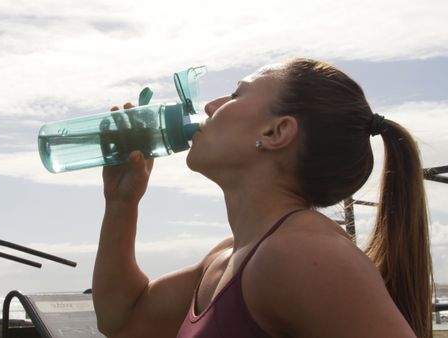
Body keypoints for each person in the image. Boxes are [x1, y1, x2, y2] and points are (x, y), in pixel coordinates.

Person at [92, 58, 433, 338]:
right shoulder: (228, 257)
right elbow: (124, 321)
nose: (211, 106)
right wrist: (122, 204)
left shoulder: (301, 252)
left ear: (276, 132)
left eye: (236, 95)